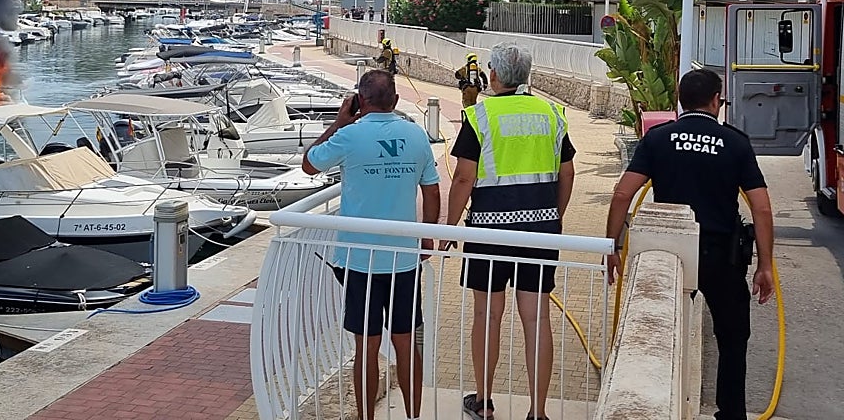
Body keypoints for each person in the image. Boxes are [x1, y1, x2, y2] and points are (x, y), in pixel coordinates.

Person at [605, 69, 774, 420]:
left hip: (671, 252)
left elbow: (623, 193)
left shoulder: (658, 138)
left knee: (662, 335)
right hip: (721, 257)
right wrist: (765, 266)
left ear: (680, 100)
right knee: (732, 337)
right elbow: (761, 207)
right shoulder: (736, 142)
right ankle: (731, 414)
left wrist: (614, 246)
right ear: (716, 101)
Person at [446, 43, 575, 420]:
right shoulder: (552, 113)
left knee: (487, 315)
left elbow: (464, 178)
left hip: (488, 230)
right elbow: (567, 174)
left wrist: (449, 227)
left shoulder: (479, 115)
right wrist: (554, 218)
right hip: (540, 231)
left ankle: (483, 402)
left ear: (494, 75)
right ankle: (538, 411)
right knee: (537, 319)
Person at [303, 70, 441, 420]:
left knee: (366, 348)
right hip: (404, 260)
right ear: (395, 101)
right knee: (407, 345)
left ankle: (367, 417)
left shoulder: (349, 136)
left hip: (358, 260)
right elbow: (432, 189)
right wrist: (426, 236)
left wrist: (338, 122)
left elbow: (308, 165)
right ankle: (413, 416)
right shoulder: (416, 134)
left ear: (359, 101)